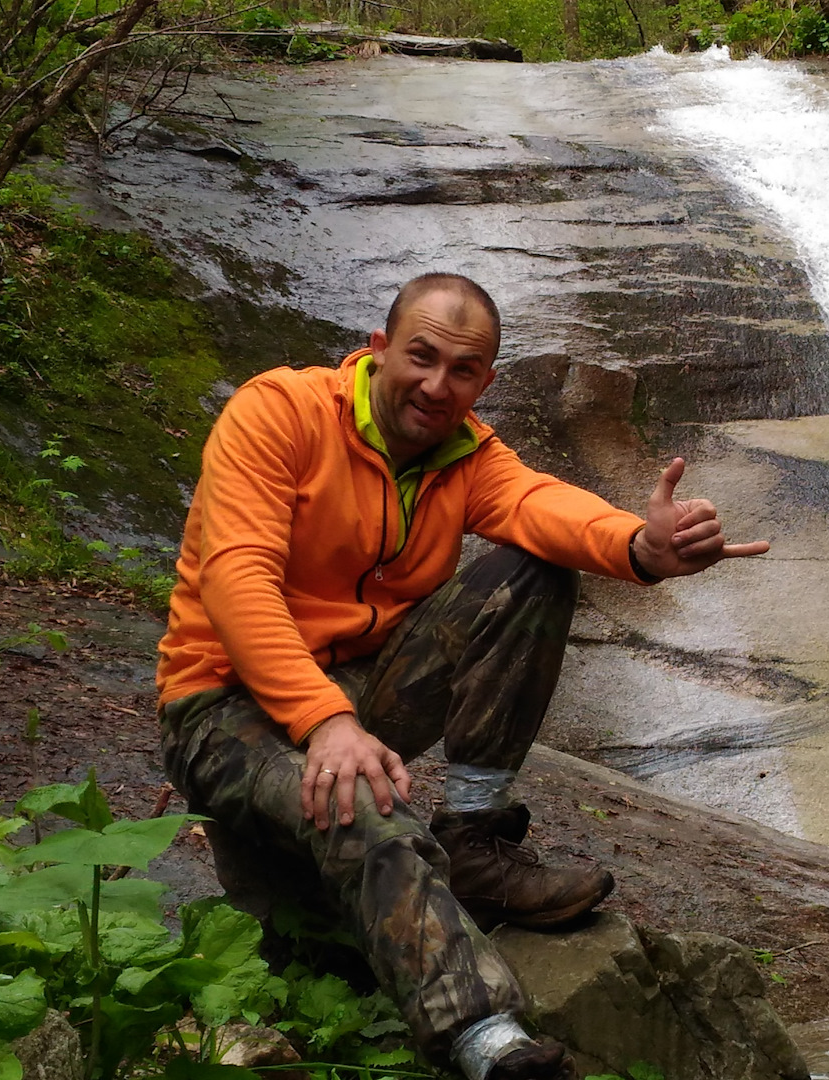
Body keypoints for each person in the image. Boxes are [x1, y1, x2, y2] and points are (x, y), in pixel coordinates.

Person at [154, 272, 768, 1080]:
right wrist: (325, 724)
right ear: (378, 351)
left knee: (536, 570)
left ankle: (473, 835)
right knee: (363, 809)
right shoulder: (281, 413)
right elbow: (236, 579)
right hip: (222, 706)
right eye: (422, 357)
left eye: (463, 370)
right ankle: (488, 1044)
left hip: (360, 688)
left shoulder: (468, 454)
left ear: (486, 381)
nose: (437, 385)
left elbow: (544, 507)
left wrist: (641, 548)